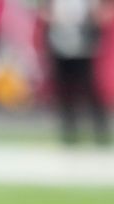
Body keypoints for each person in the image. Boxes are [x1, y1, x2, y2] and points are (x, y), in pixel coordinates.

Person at [39, 0, 113, 144]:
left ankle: (101, 132)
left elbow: (101, 14)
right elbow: (45, 13)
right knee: (64, 92)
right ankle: (70, 132)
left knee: (90, 90)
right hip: (60, 46)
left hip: (84, 48)